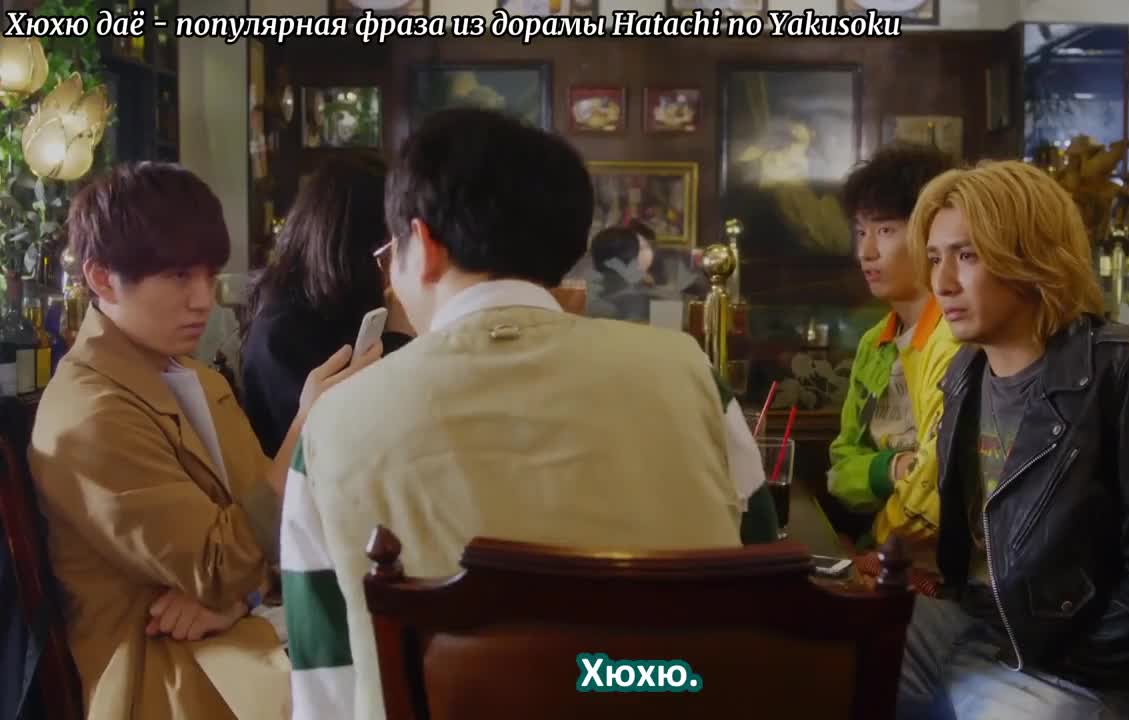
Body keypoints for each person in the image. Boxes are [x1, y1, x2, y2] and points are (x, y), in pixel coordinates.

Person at [280, 108, 778, 720]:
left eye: (393, 252)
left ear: (424, 246)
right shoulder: (691, 375)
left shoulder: (333, 426)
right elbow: (766, 591)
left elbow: (326, 688)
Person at [26, 163, 380, 720]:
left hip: (244, 637)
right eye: (177, 277)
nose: (202, 300)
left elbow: (273, 539)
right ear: (101, 278)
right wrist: (304, 430)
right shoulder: (88, 414)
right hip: (168, 677)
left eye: (207, 275)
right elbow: (218, 564)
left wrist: (240, 597)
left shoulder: (196, 379)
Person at [897, 160, 1129, 719]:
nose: (943, 282)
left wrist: (1071, 661)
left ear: (1032, 258)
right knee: (818, 661)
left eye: (967, 256)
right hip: (973, 627)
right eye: (935, 258)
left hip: (1074, 668)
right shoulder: (965, 373)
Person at [826, 144, 961, 568]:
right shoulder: (875, 342)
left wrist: (876, 549)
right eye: (860, 232)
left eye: (884, 230)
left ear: (929, 232)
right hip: (886, 553)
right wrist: (892, 467)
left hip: (935, 565)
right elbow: (840, 471)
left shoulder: (956, 336)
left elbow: (937, 490)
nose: (865, 252)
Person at [240, 155, 415, 456]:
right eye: (391, 249)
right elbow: (358, 442)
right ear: (354, 249)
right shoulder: (281, 333)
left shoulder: (354, 305)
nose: (398, 262)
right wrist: (399, 333)